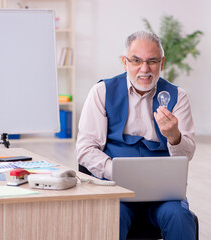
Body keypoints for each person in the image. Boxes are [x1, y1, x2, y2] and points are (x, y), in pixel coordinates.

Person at [76, 31, 196, 239]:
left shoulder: (178, 96)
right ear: (125, 62)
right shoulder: (101, 92)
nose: (144, 69)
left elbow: (187, 155)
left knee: (179, 215)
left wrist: (174, 136)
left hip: (163, 194)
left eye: (152, 61)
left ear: (162, 63)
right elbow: (85, 149)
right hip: (116, 189)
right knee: (111, 216)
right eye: (136, 61)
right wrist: (119, 173)